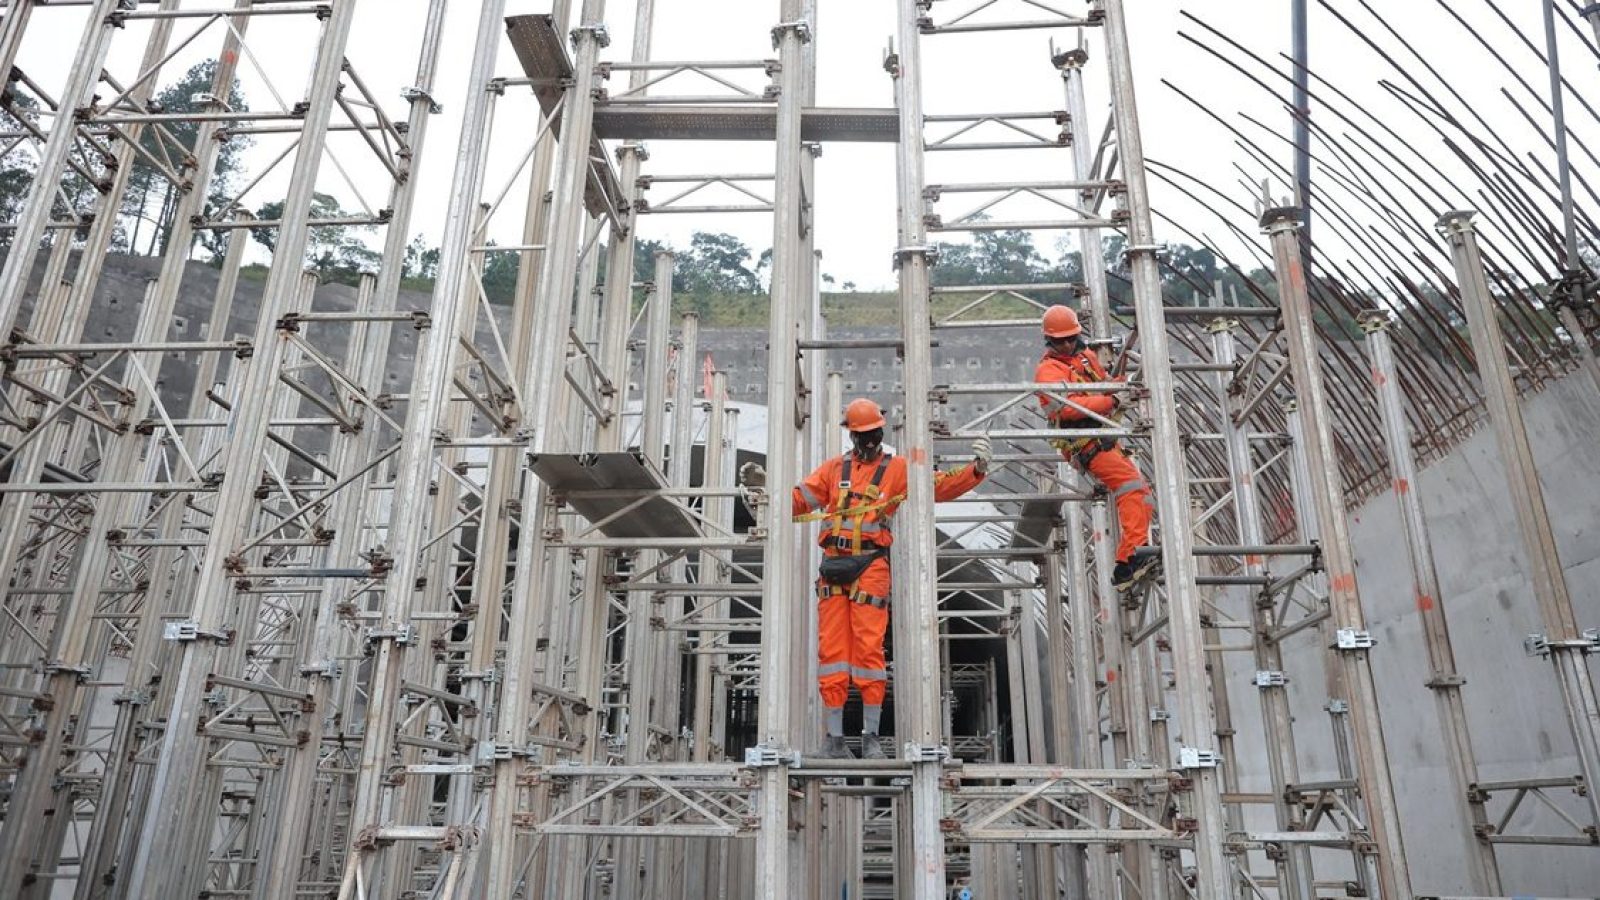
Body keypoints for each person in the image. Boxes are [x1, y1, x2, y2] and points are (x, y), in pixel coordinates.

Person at [741, 399, 989, 759]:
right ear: (852, 436)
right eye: (862, 435)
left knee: (869, 651)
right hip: (834, 567)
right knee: (833, 655)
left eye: (872, 434)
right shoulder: (832, 470)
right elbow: (797, 501)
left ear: (880, 432)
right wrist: (765, 492)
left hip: (871, 566)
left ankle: (870, 737)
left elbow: (939, 486)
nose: (868, 441)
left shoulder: (899, 469)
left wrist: (976, 470)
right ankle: (835, 739)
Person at [1034, 304, 1155, 589]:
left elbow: (1102, 384)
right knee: (1132, 487)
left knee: (1139, 490)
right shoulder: (1047, 371)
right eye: (1060, 340)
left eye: (1070, 338)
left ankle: (1130, 559)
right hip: (1084, 441)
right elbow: (1065, 408)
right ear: (1049, 340)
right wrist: (1111, 400)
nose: (1066, 344)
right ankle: (1131, 559)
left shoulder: (1086, 358)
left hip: (1100, 436)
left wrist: (1121, 385)